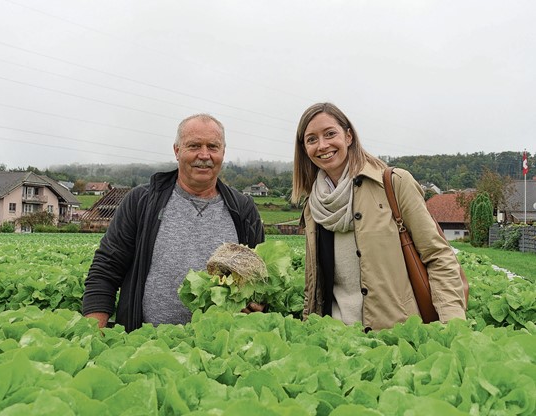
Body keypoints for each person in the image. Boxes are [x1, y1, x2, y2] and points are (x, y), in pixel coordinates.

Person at [291, 102, 466, 332]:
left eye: (330, 134)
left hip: (397, 337)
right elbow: (314, 284)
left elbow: (439, 256)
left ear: (349, 136)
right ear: (304, 148)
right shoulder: (314, 206)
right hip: (336, 341)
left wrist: (452, 327)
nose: (322, 145)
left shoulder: (393, 184)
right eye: (311, 139)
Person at [82, 114, 265, 332]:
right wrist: (93, 337)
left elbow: (259, 279)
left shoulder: (243, 210)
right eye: (194, 145)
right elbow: (105, 270)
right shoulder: (142, 202)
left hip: (223, 350)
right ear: (177, 150)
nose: (204, 155)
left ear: (223, 152)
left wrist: (257, 304)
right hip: (144, 348)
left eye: (213, 147)